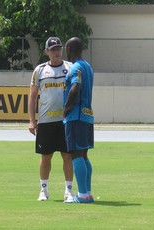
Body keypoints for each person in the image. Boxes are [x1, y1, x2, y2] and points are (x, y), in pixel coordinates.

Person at [28, 37, 74, 202]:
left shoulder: (69, 68)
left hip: (66, 121)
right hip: (46, 121)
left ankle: (68, 190)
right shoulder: (39, 70)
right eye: (53, 49)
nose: (56, 52)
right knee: (45, 156)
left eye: (58, 48)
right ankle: (43, 189)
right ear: (46, 51)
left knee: (67, 156)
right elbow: (32, 97)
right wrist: (32, 121)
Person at [63, 37, 94, 203]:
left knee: (76, 154)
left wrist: (66, 108)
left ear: (68, 49)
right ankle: (87, 193)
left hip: (77, 116)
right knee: (84, 155)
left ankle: (81, 195)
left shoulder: (75, 67)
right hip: (88, 115)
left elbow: (75, 88)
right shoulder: (88, 66)